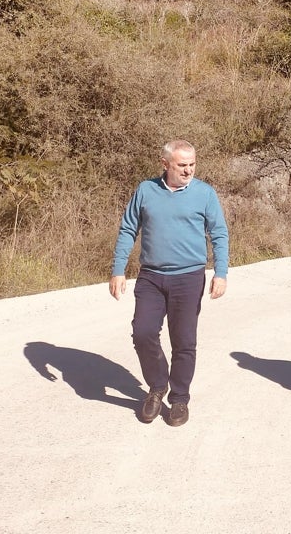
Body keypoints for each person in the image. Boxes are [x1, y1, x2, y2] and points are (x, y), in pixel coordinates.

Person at [109, 140, 229, 427]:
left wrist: (220, 272)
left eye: (192, 164)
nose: (188, 170)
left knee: (183, 340)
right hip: (151, 276)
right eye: (182, 165)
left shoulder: (204, 194)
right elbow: (128, 228)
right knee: (143, 332)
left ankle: (179, 398)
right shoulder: (146, 190)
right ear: (165, 165)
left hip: (188, 277)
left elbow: (219, 234)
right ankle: (157, 386)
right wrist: (118, 270)